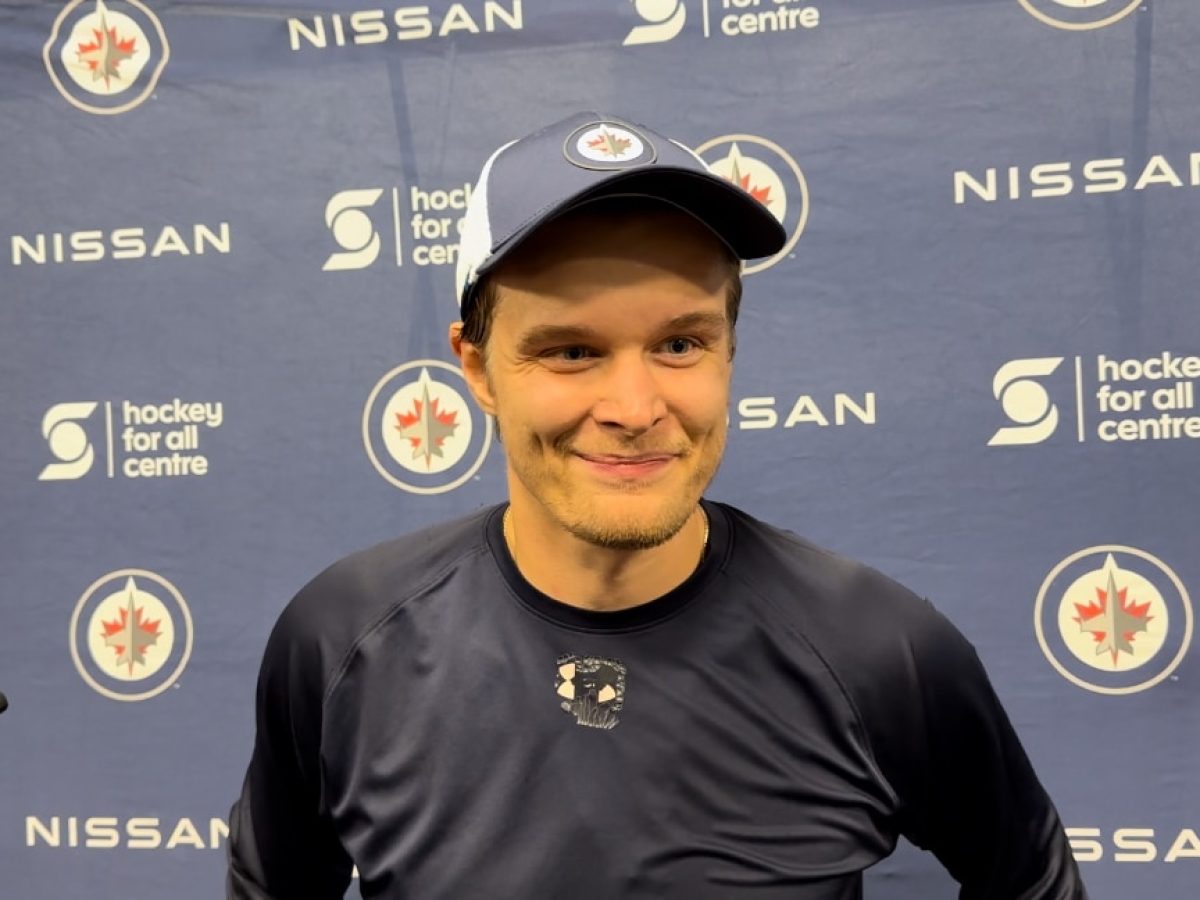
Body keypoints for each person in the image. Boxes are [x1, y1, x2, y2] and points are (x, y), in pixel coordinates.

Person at [227, 111, 1087, 899]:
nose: (635, 409)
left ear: (729, 350)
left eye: (680, 343)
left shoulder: (881, 651)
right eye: (571, 351)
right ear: (478, 369)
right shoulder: (343, 641)